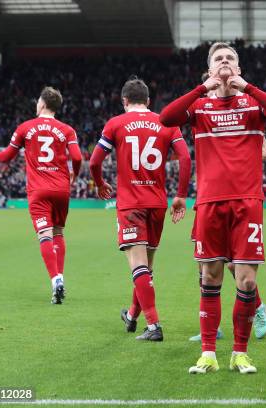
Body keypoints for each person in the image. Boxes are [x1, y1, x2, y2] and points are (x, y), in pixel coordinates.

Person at [160, 42, 266, 374]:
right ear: (208, 69)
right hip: (209, 203)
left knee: (246, 282)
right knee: (211, 277)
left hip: (247, 203)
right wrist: (202, 88)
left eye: (230, 59)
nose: (224, 63)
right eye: (218, 59)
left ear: (239, 68)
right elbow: (166, 118)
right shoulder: (199, 107)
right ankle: (207, 354)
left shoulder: (252, 104)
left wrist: (245, 86)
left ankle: (240, 353)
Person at [89, 77, 191, 341]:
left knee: (138, 267)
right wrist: (180, 195)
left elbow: (94, 161)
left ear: (124, 101)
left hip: (131, 203)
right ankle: (133, 317)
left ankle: (154, 326)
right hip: (157, 203)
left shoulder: (116, 123)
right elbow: (186, 157)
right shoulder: (166, 122)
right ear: (148, 101)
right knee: (145, 267)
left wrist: (100, 184)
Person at [0, 87, 82, 304]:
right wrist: (74, 173)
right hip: (61, 188)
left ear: (42, 103)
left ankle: (55, 280)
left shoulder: (25, 127)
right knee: (58, 232)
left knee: (45, 235)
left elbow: (6, 156)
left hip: (38, 190)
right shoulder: (67, 130)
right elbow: (78, 157)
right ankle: (60, 276)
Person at [187, 72, 266, 343]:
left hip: (240, 195)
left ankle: (257, 307)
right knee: (203, 265)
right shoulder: (203, 112)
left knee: (236, 266)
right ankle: (213, 326)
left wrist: (237, 149)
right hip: (208, 197)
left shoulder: (244, 110)